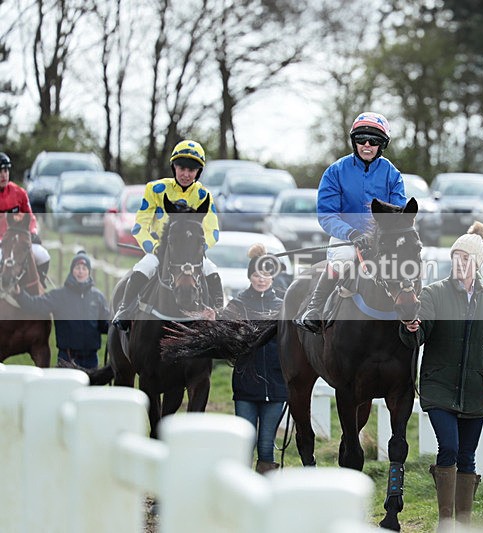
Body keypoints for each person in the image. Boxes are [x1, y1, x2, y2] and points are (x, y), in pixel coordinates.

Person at [398, 222, 483, 530]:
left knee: (468, 456)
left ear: (477, 264)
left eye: (466, 259)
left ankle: (463, 524)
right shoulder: (434, 294)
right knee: (448, 447)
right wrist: (412, 327)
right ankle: (445, 522)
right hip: (439, 388)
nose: (459, 264)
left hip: (476, 390)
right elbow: (417, 334)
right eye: (456, 258)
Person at [295, 111, 406, 334]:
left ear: (381, 145)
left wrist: (380, 235)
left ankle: (410, 312)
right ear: (353, 142)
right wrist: (353, 234)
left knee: (404, 262)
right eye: (361, 140)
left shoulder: (392, 174)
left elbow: (398, 214)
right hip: (347, 236)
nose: (366, 145)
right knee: (344, 259)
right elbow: (327, 215)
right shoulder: (335, 172)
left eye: (373, 141)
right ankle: (314, 309)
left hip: (381, 238)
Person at [112, 140, 224, 330]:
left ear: (198, 172)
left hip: (191, 254)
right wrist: (156, 248)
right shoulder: (155, 189)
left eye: (192, 170)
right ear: (174, 167)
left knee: (212, 271)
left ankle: (220, 317)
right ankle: (124, 309)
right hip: (160, 251)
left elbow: (212, 231)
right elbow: (140, 227)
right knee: (143, 267)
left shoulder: (204, 195)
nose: (186, 174)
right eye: (182, 168)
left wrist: (197, 249)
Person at [222, 243, 286, 474]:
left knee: (266, 447)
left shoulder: (283, 306)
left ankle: (264, 494)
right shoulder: (237, 305)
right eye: (257, 274)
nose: (261, 279)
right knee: (245, 444)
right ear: (250, 276)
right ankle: (242, 489)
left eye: (266, 274)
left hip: (276, 387)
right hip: (246, 385)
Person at [12, 250, 110, 368]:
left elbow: (106, 325)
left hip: (91, 361)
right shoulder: (59, 296)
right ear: (72, 270)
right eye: (77, 268)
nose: (80, 271)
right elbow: (35, 305)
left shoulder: (98, 297)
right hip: (67, 359)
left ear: (89, 272)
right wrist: (19, 294)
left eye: (84, 268)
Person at [0, 152, 50, 284]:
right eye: (0, 171)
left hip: (19, 239)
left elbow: (31, 218)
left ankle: (39, 287)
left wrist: (32, 232)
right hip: (2, 243)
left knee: (43, 256)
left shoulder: (19, 193)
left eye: (5, 170)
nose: (3, 175)